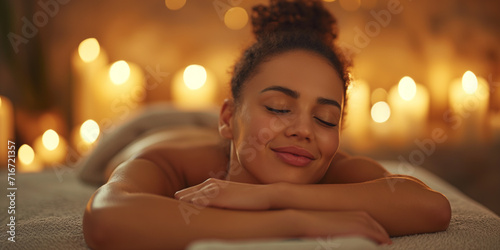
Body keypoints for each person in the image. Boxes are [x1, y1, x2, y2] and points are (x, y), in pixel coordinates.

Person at [83, 0, 451, 249]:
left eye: (325, 118)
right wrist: (294, 223)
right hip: (162, 128)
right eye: (279, 107)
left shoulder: (331, 166)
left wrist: (273, 195)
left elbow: (430, 207)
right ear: (227, 118)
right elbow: (106, 219)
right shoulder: (175, 161)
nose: (303, 129)